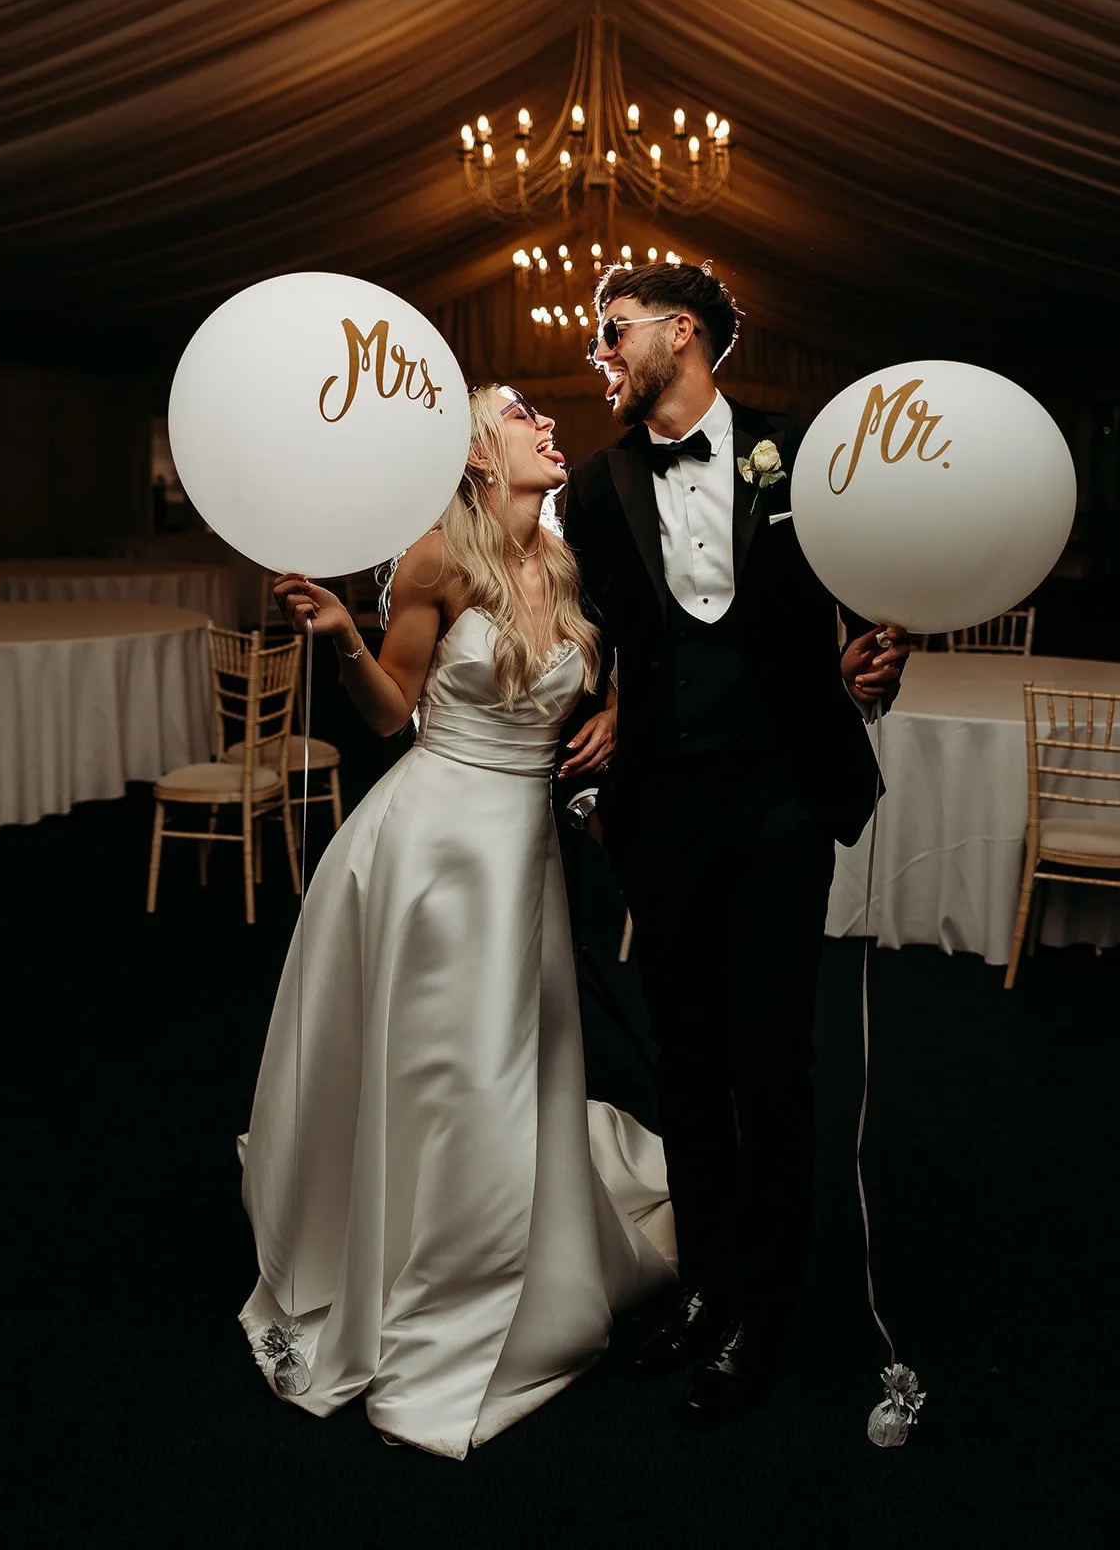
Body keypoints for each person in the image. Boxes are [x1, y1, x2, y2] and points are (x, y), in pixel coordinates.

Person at [239, 383, 675, 1458]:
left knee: (515, 1056)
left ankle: (514, 1248)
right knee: (446, 1067)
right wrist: (346, 633)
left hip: (521, 848)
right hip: (431, 846)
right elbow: (394, 713)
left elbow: (598, 669)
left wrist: (613, 709)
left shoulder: (567, 560)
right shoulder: (434, 557)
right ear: (480, 456)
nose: (544, 422)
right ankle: (437, 1281)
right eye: (520, 413)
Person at [560, 261, 911, 1423]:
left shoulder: (804, 451)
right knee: (686, 1058)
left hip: (778, 803)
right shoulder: (600, 485)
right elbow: (587, 626)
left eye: (614, 332)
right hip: (658, 807)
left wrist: (868, 656)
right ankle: (704, 1290)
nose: (599, 353)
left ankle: (766, 1310)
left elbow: (865, 594)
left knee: (772, 1060)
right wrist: (593, 703)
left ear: (682, 332)